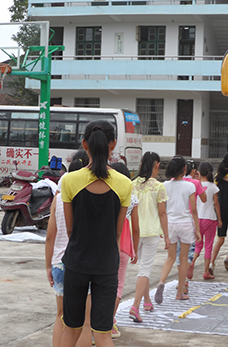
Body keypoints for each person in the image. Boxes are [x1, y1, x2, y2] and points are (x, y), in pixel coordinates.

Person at [60, 120, 132, 347]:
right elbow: (118, 230)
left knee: (71, 329)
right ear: (113, 144)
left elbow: (70, 229)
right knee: (102, 334)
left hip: (76, 262)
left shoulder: (69, 180)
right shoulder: (124, 183)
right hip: (107, 264)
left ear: (84, 144)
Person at [45, 149, 91, 347]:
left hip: (59, 263)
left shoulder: (58, 199)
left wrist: (48, 266)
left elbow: (49, 236)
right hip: (85, 264)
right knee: (85, 321)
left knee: (61, 315)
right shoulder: (91, 198)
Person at [129, 151, 169, 323]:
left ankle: (146, 301)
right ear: (157, 165)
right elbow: (162, 214)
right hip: (152, 232)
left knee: (141, 270)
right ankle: (135, 307)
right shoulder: (159, 186)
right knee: (145, 270)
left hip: (133, 231)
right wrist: (167, 236)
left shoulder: (131, 184)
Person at [155, 156, 201, 303]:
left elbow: (161, 209)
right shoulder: (190, 186)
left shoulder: (165, 185)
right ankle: (180, 292)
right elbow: (193, 209)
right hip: (186, 223)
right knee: (184, 259)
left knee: (170, 257)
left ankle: (161, 281)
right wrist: (197, 229)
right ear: (185, 169)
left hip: (171, 223)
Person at [110, 162, 140, 337]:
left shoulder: (106, 194)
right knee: (118, 286)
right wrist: (134, 250)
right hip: (124, 246)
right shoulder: (131, 198)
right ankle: (109, 322)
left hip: (106, 245)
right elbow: (136, 229)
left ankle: (96, 321)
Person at [191, 161, 222, 280]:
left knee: (198, 244)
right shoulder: (213, 187)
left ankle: (192, 261)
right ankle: (205, 271)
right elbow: (216, 204)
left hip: (197, 218)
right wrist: (219, 219)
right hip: (210, 218)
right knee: (208, 245)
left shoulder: (195, 184)